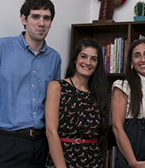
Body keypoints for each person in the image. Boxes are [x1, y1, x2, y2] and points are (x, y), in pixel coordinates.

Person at [0, 0, 61, 168]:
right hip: (5, 142)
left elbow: (54, 106)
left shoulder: (54, 58)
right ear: (24, 19)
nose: (41, 23)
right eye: (35, 17)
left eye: (46, 18)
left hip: (39, 145)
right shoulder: (1, 48)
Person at [45, 37, 109, 167]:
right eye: (83, 56)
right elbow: (51, 132)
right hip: (64, 158)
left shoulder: (98, 93)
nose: (88, 62)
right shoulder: (57, 87)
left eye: (93, 59)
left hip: (93, 160)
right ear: (75, 59)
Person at [111, 39, 145, 168]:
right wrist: (132, 162)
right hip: (130, 158)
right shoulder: (123, 86)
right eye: (137, 56)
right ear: (131, 62)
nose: (142, 59)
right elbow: (117, 127)